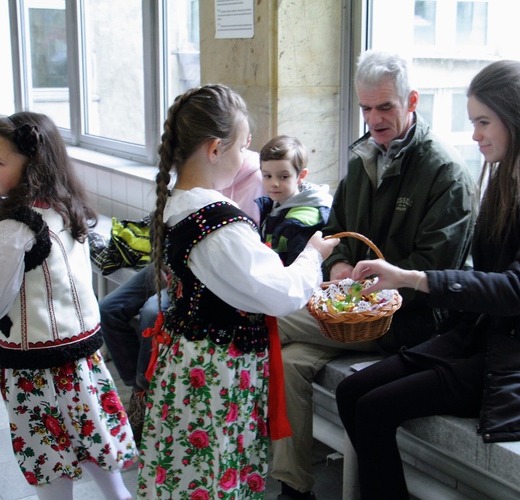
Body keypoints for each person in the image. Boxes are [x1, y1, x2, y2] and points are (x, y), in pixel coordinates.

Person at [335, 60, 520, 499]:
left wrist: (411, 278)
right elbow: (485, 281)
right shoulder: (511, 187)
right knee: (352, 390)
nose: (475, 135)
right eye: (474, 122)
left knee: (374, 408)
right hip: (487, 341)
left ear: (518, 120)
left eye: (483, 122)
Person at [271, 50, 476, 499]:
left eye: (385, 107)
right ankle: (294, 488)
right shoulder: (361, 163)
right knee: (287, 363)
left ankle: (217, 436)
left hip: (406, 322)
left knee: (269, 318)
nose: (374, 119)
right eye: (366, 108)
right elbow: (338, 235)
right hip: (351, 315)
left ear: (413, 101)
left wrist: (359, 285)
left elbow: (435, 273)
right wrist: (337, 263)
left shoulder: (445, 172)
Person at [135, 84, 339, 498]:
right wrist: (314, 255)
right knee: (214, 471)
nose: (246, 159)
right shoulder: (218, 223)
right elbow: (280, 293)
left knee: (186, 471)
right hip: (216, 369)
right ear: (214, 149)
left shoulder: (177, 205)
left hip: (186, 358)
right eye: (243, 147)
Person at [0, 112, 137, 500]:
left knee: (49, 458)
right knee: (93, 446)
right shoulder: (68, 208)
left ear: (32, 164)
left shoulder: (15, 227)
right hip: (80, 358)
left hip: (35, 369)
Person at [99, 147, 263, 444]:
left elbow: (238, 256)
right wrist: (164, 258)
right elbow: (170, 226)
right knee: (110, 309)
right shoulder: (199, 173)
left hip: (198, 278)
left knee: (151, 313)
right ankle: (138, 390)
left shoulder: (257, 181)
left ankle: (144, 398)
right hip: (168, 263)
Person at [256, 135, 333, 265]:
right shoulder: (271, 205)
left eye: (283, 176)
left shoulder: (303, 221)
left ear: (301, 176)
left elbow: (299, 268)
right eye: (267, 176)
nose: (274, 183)